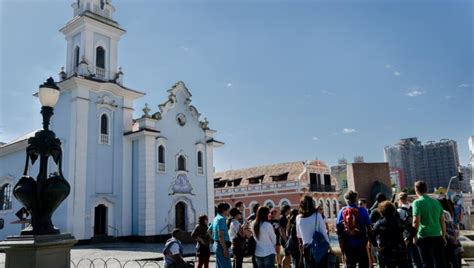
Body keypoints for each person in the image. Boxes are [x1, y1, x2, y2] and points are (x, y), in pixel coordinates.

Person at [412, 180, 446, 268]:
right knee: (440, 263)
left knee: (427, 264)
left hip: (424, 237)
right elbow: (442, 220)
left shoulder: (417, 203)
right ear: (426, 189)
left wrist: (414, 237)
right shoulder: (436, 202)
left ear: (416, 190)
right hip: (437, 236)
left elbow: (416, 222)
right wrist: (443, 235)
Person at [336, 190, 371, 268]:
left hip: (348, 245)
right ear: (356, 199)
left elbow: (338, 230)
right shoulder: (363, 210)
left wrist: (341, 247)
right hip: (361, 243)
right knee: (363, 264)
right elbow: (369, 227)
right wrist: (371, 242)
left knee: (350, 265)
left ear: (346, 200)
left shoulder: (342, 212)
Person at [371, 201, 409, 268]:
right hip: (400, 249)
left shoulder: (379, 224)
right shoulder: (399, 221)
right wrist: (407, 239)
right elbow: (412, 230)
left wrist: (376, 246)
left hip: (386, 251)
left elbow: (372, 235)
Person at [296, 195, 329, 268]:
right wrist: (328, 245)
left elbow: (299, 235)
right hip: (318, 247)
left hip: (306, 248)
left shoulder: (298, 218)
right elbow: (324, 232)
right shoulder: (317, 215)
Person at [397, 192, 421, 268]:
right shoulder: (413, 207)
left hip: (406, 236)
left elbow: (399, 225)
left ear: (400, 200)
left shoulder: (399, 211)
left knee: (408, 257)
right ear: (407, 198)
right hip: (416, 233)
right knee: (417, 256)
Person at [439, 197, 463, 268]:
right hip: (454, 237)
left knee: (448, 258)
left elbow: (443, 225)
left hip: (447, 237)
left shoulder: (443, 212)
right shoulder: (450, 211)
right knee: (454, 257)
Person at [211, 203, 232, 268]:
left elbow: (208, 231)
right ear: (224, 210)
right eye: (228, 210)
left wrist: (215, 239)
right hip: (221, 246)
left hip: (216, 244)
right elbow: (221, 235)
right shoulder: (221, 219)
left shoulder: (215, 218)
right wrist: (225, 249)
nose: (229, 211)